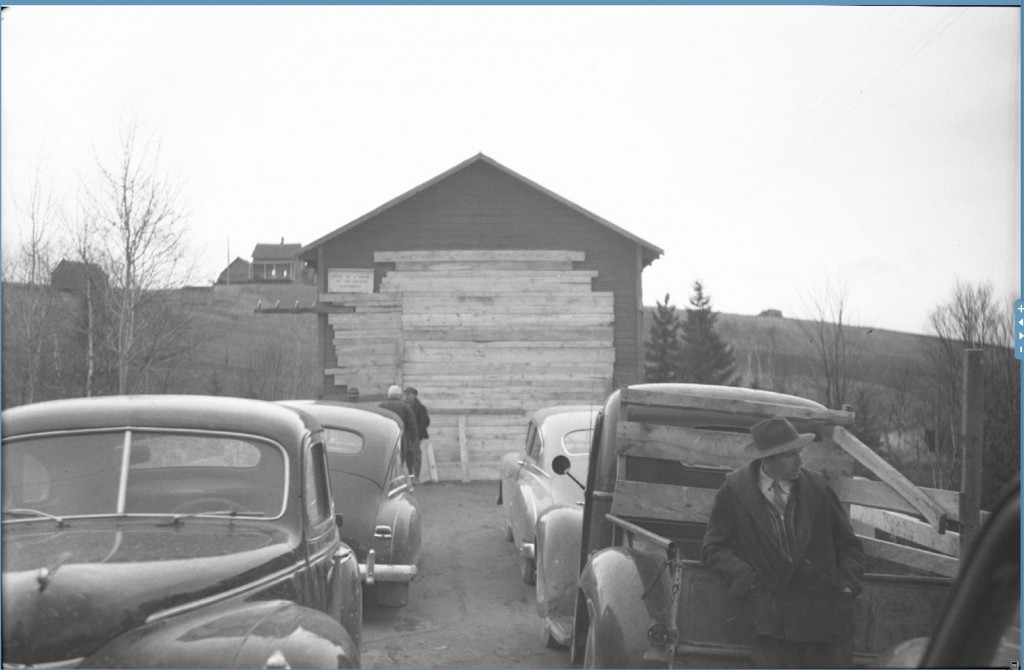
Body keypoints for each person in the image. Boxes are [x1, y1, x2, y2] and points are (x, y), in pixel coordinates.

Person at [701, 415, 865, 668]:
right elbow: (714, 547)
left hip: (824, 618)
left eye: (799, 453)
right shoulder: (734, 491)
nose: (800, 461)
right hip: (772, 620)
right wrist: (748, 581)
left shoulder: (817, 488)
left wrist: (846, 584)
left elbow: (849, 545)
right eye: (790, 455)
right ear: (767, 459)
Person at [379, 385, 418, 479]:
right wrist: (412, 439)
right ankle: (403, 481)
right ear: (400, 395)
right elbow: (412, 425)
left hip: (386, 439)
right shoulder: (405, 407)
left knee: (387, 460)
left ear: (389, 395)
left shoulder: (381, 406)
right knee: (402, 461)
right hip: (402, 439)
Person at [403, 386, 431, 482]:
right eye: (406, 394)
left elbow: (425, 422)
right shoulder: (403, 406)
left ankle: (416, 477)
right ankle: (407, 477)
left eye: (409, 394)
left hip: (415, 436)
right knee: (406, 456)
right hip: (405, 435)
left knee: (416, 456)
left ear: (414, 395)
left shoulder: (421, 408)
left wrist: (417, 433)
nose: (406, 396)